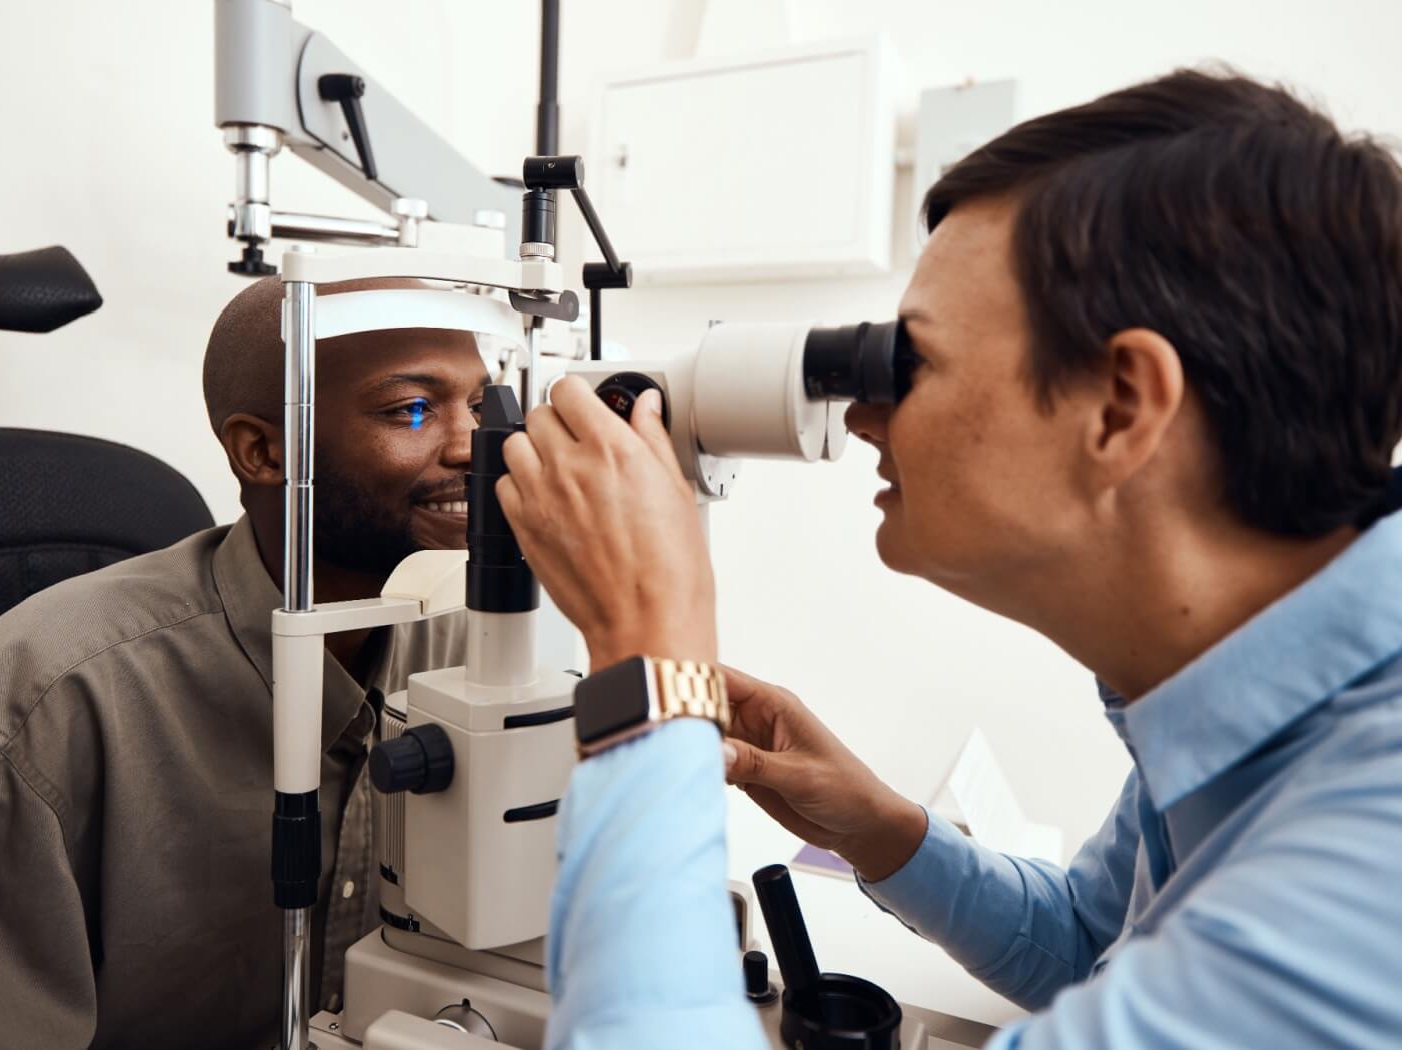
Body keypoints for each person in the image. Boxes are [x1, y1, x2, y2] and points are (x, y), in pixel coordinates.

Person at [496, 70, 1402, 1047]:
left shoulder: (1366, 873)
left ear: (1121, 406)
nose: (861, 414)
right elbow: (1093, 947)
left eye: (909, 364)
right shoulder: (1246, 692)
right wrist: (881, 831)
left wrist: (644, 660)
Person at [0, 276, 486, 1047]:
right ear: (262, 451)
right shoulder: (33, 716)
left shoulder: (458, 646)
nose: (472, 445)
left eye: (482, 407)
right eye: (413, 410)